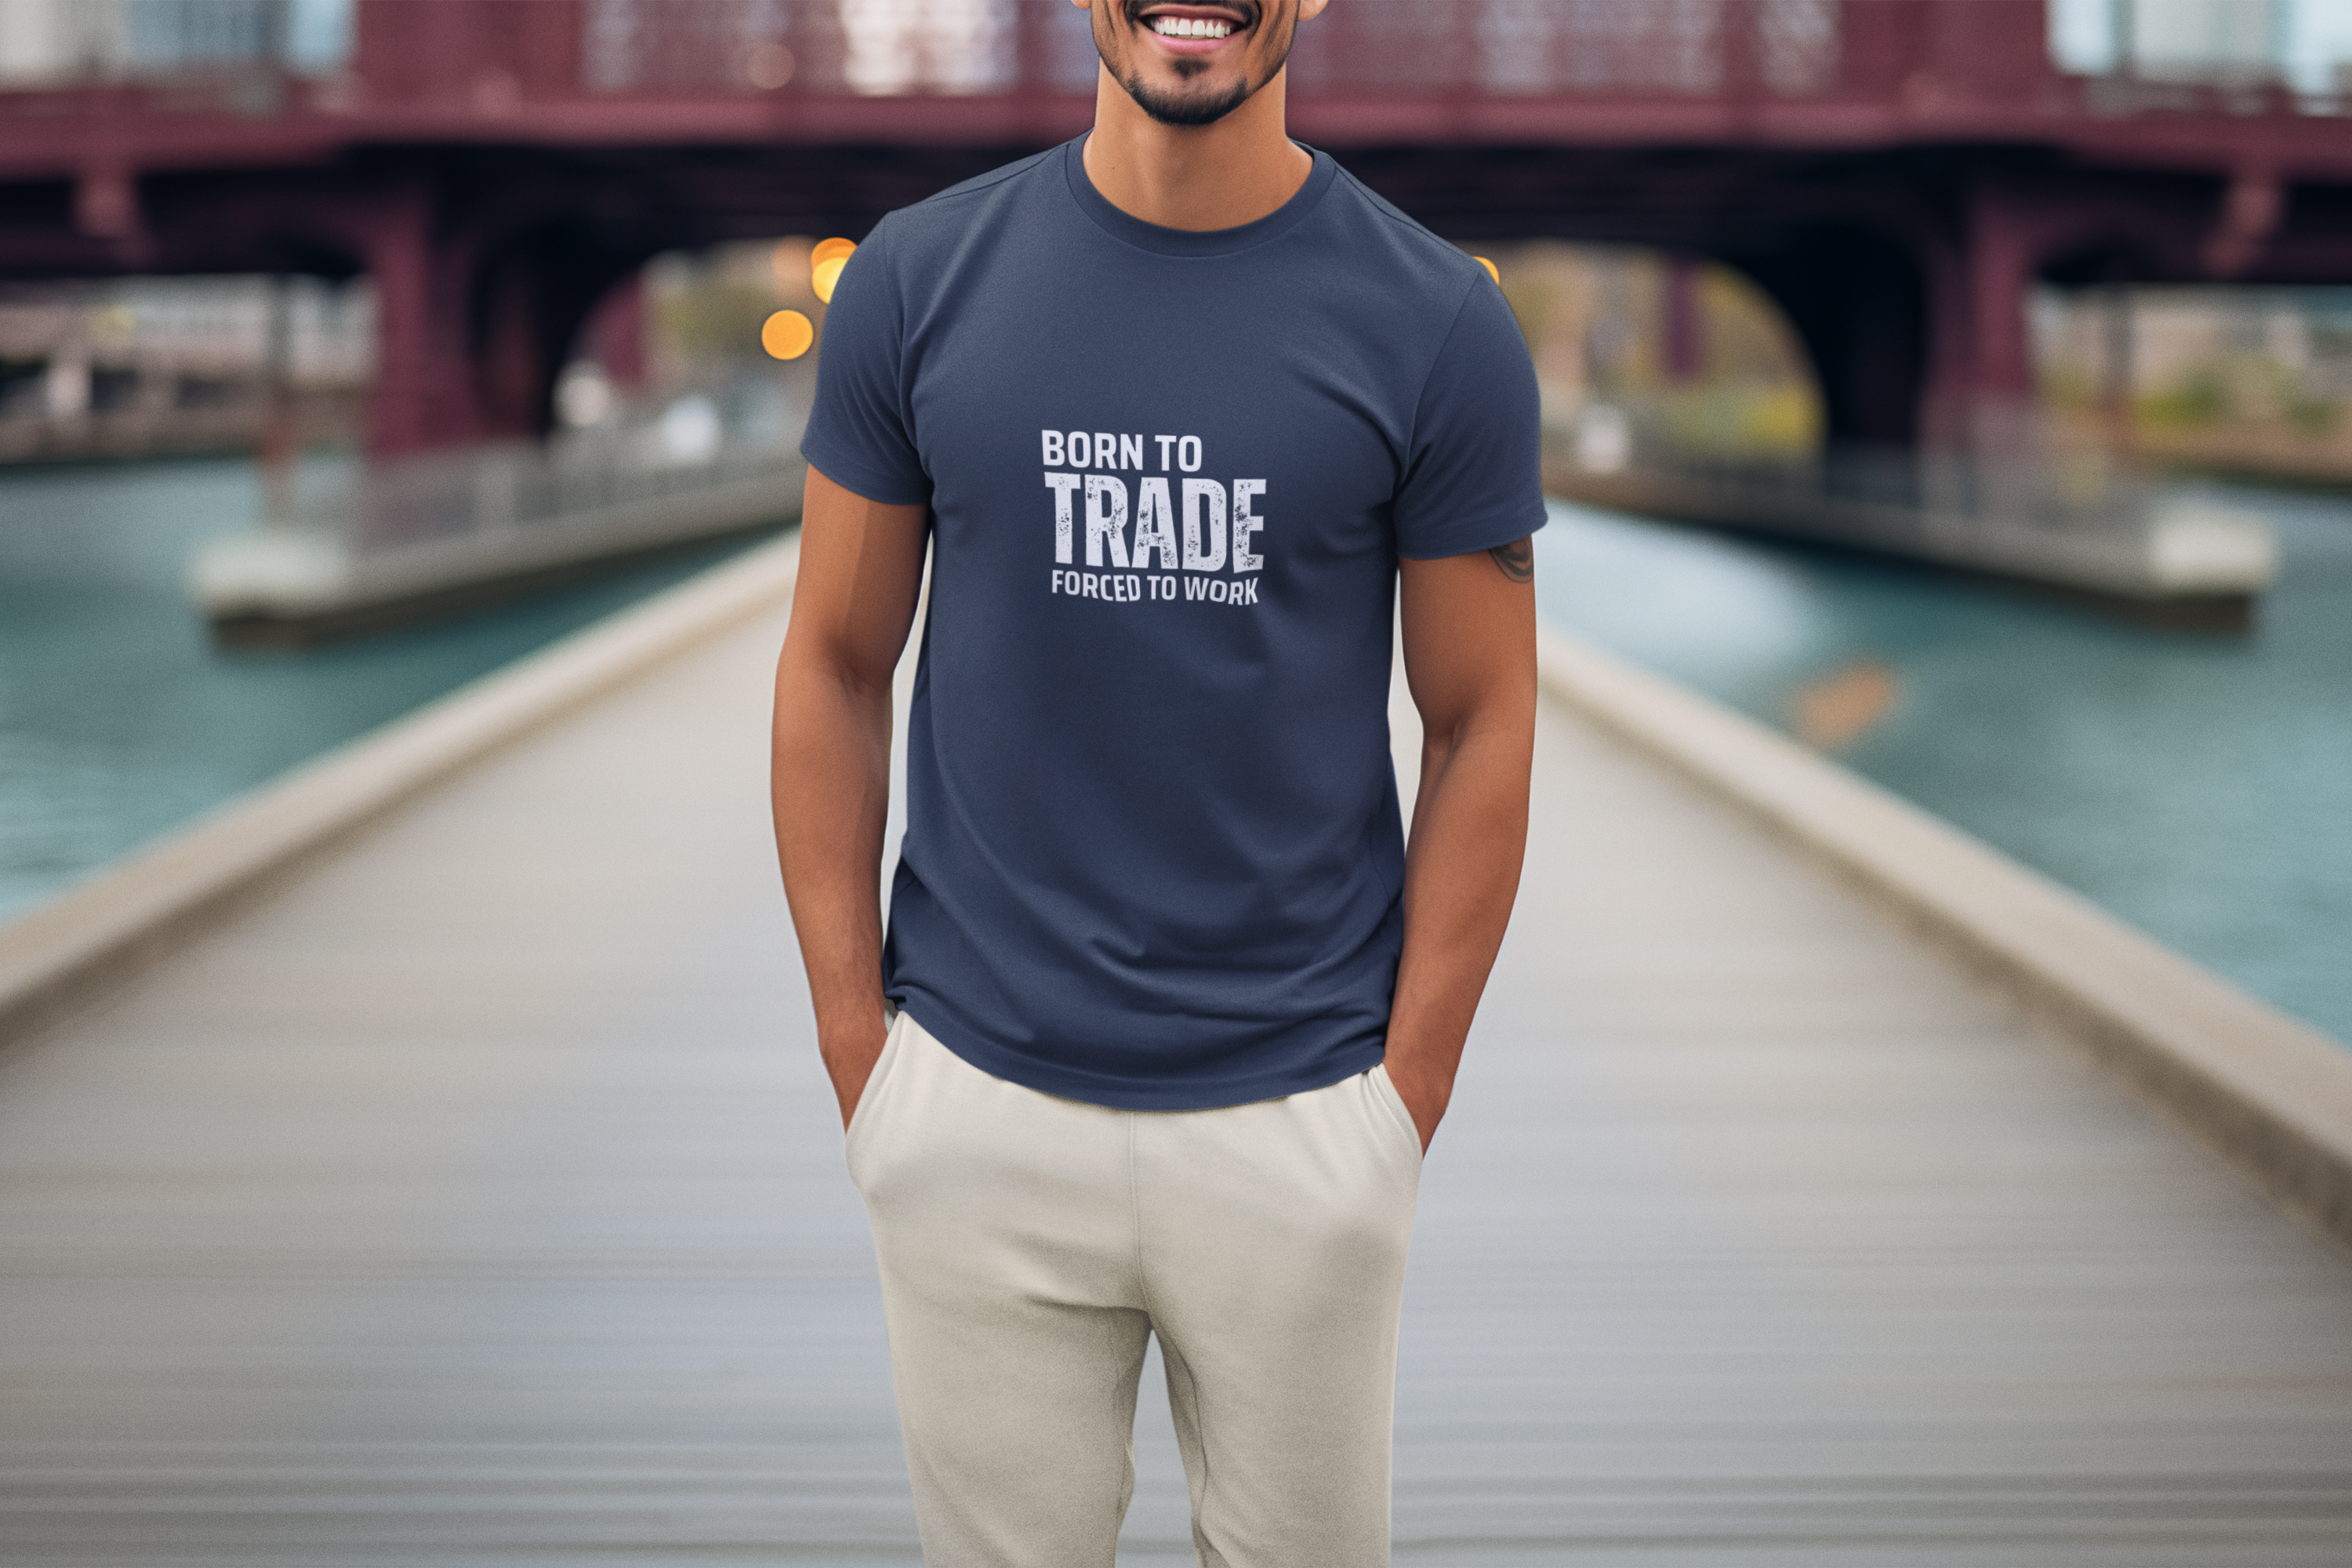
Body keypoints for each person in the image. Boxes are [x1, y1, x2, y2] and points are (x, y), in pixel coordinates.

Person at [768, 0, 1543, 1559]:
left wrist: (1398, 1106)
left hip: (1302, 1118)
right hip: (977, 1105)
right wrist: (872, 1069)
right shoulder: (917, 284)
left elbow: (1482, 720)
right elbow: (834, 667)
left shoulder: (1438, 319)